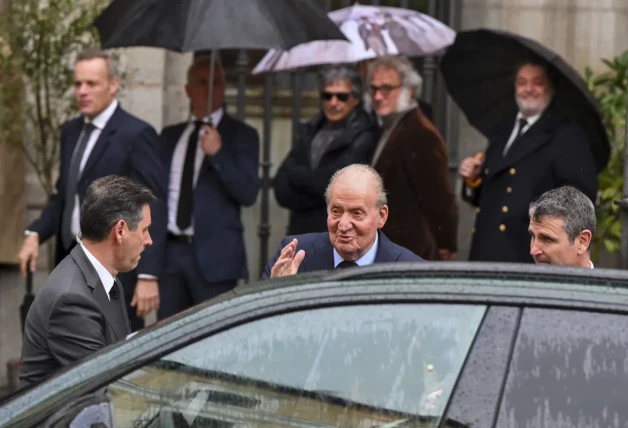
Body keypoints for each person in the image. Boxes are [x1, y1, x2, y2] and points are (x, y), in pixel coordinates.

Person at [18, 48, 167, 331]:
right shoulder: (70, 132)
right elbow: (64, 194)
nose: (82, 91)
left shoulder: (136, 133)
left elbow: (153, 204)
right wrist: (34, 232)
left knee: (110, 358)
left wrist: (149, 275)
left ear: (113, 85)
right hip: (71, 265)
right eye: (77, 84)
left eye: (91, 84)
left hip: (116, 271)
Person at [19, 176, 155, 388]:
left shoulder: (108, 280)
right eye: (144, 230)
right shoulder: (71, 300)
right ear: (119, 231)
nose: (149, 240)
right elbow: (104, 386)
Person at [458, 59, 598, 264]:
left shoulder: (566, 134)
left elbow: (581, 194)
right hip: (485, 251)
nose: (528, 88)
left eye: (537, 82)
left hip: (526, 254)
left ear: (550, 88)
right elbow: (491, 194)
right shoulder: (502, 131)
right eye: (522, 82)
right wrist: (473, 180)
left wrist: (541, 207)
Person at [158, 56, 260, 320]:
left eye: (217, 83)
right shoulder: (170, 136)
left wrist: (219, 154)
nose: (210, 89)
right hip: (170, 254)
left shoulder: (242, 135)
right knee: (166, 338)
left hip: (214, 259)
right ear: (188, 89)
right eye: (202, 83)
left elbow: (248, 193)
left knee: (210, 338)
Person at [366, 55, 458, 261]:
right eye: (374, 89)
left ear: (409, 90)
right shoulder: (391, 125)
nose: (378, 96)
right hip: (392, 248)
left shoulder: (419, 133)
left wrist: (445, 243)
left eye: (387, 89)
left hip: (412, 251)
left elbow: (439, 197)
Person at [262, 164, 422, 279]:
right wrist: (278, 291)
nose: (343, 225)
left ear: (382, 216)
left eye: (357, 213)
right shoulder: (293, 256)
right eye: (336, 212)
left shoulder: (410, 270)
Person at [273, 65, 379, 235]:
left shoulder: (364, 133)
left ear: (356, 99)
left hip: (339, 235)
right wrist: (319, 195)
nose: (333, 102)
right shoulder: (311, 129)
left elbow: (336, 185)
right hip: (301, 233)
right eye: (327, 96)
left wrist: (298, 177)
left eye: (342, 96)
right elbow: (281, 188)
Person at [528, 186, 595, 268]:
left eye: (547, 239)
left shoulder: (608, 281)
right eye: (533, 236)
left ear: (582, 241)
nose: (533, 251)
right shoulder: (518, 280)